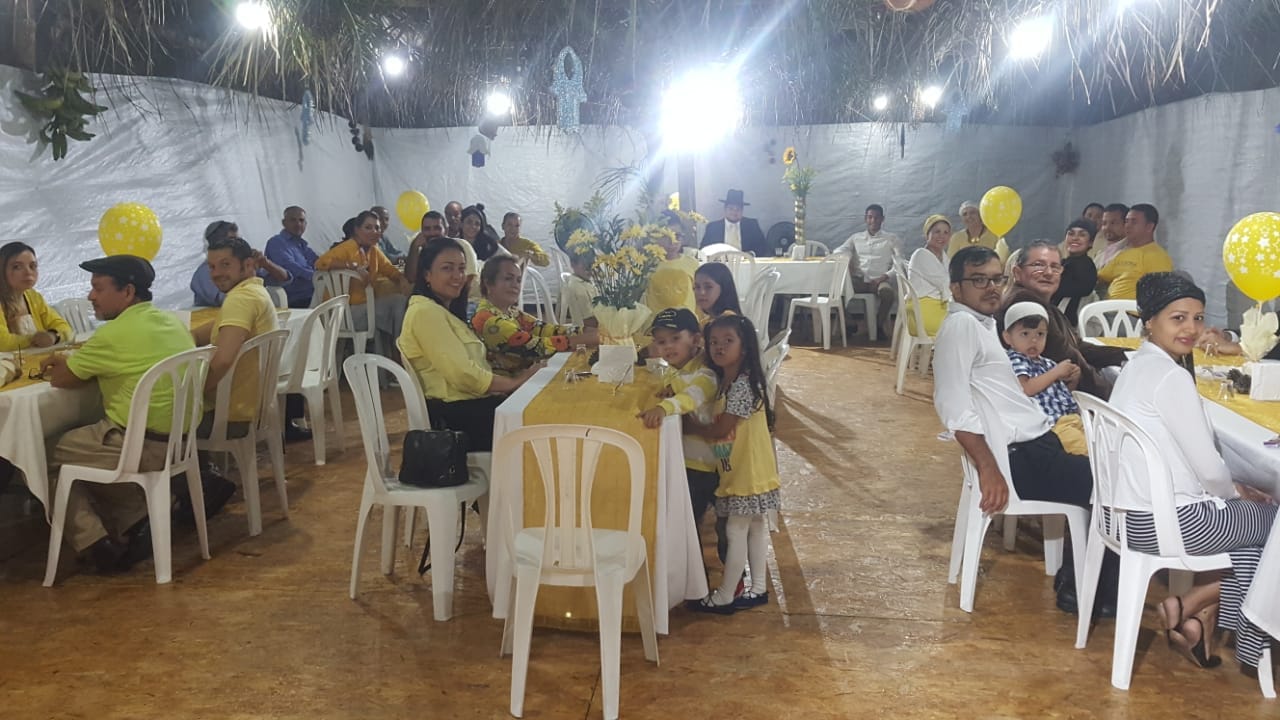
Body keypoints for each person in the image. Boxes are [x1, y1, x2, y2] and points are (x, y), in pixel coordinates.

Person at [1109, 272, 1277, 673]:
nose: (1190, 329)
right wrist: (1236, 490)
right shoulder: (1170, 376)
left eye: (1198, 318)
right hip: (1165, 523)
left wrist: (1233, 490)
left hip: (1123, 515)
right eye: (1178, 318)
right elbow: (1210, 472)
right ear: (1150, 320)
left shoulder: (1137, 364)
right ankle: (1222, 624)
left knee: (1248, 528)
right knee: (1272, 522)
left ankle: (1202, 621)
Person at [932, 246, 1093, 612]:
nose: (991, 288)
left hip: (1037, 446)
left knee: (1109, 470)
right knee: (1117, 485)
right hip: (1023, 459)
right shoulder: (960, 326)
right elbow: (953, 407)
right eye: (978, 280)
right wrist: (989, 470)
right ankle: (1080, 589)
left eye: (996, 279)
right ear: (955, 288)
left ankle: (1080, 578)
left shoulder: (984, 323)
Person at [38, 255, 196, 574]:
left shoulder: (113, 335)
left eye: (98, 288)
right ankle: (137, 518)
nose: (90, 296)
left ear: (127, 292)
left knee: (38, 455)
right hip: (181, 442)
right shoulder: (172, 322)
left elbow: (61, 379)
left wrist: (62, 362)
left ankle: (97, 544)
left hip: (140, 447)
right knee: (82, 448)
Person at [397, 238, 542, 451]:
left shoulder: (443, 311)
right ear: (427, 274)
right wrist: (516, 382)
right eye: (447, 268)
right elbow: (464, 375)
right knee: (541, 420)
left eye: (461, 268)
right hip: (454, 418)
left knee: (538, 406)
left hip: (468, 406)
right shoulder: (425, 312)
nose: (457, 276)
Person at [683, 314, 780, 613]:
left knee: (736, 532)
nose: (719, 347)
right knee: (755, 527)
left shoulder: (742, 386)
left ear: (745, 346)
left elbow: (721, 429)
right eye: (713, 342)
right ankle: (758, 588)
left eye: (728, 341)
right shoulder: (728, 382)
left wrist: (691, 425)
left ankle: (726, 594)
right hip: (747, 469)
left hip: (745, 472)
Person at [187, 235, 280, 521]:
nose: (216, 273)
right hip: (255, 407)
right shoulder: (255, 292)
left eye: (225, 265)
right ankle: (203, 482)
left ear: (248, 265)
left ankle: (193, 492)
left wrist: (195, 394)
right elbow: (216, 328)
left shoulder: (240, 299)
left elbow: (224, 359)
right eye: (212, 266)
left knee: (156, 422)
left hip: (231, 415)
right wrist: (181, 336)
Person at [636, 308, 722, 561]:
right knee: (686, 521)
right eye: (661, 342)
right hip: (691, 461)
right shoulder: (682, 368)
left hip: (703, 465)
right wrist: (668, 387)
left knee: (688, 525)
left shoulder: (705, 374)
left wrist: (664, 407)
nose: (668, 347)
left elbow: (691, 396)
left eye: (675, 339)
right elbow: (678, 380)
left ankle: (694, 573)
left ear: (695, 339)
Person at [1002, 240, 1126, 400]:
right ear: (1017, 272)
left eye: (1055, 267)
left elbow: (1078, 346)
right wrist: (1112, 396)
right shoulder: (1024, 303)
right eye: (1038, 265)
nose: (1048, 273)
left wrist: (1127, 355)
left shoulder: (1045, 304)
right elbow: (1067, 358)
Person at [470, 255, 596, 375]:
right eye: (508, 278)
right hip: (511, 386)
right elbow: (536, 348)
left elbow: (546, 329)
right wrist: (590, 338)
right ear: (488, 283)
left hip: (527, 377)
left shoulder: (511, 312)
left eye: (518, 280)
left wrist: (586, 331)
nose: (515, 285)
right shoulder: (489, 320)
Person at [999, 302, 1086, 456]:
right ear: (1008, 337)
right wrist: (1056, 372)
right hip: (1051, 426)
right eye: (1025, 334)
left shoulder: (1047, 363)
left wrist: (1073, 380)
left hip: (1071, 419)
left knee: (1101, 438)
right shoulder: (1015, 360)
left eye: (1040, 334)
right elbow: (1025, 389)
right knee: (1089, 452)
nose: (1033, 340)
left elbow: (1060, 396)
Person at [314, 210, 411, 346]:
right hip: (342, 313)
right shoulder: (347, 247)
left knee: (399, 302)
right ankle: (399, 348)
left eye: (377, 228)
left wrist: (401, 278)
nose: (374, 232)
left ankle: (393, 349)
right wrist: (351, 266)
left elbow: (389, 269)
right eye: (368, 227)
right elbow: (320, 263)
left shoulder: (373, 251)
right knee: (398, 303)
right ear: (357, 230)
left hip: (363, 309)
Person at [836, 204, 901, 340]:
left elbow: (900, 263)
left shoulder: (892, 239)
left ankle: (877, 325)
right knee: (837, 290)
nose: (873, 221)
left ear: (882, 219)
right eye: (870, 217)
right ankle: (850, 322)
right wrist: (848, 260)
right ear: (865, 219)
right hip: (860, 279)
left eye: (877, 217)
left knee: (888, 294)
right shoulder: (856, 238)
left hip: (880, 280)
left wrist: (883, 277)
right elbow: (839, 251)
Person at [191, 221, 291, 307]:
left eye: (239, 240)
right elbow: (231, 301)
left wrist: (266, 264)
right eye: (232, 241)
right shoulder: (205, 272)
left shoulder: (243, 264)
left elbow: (284, 279)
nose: (238, 244)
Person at [0, 241, 72, 351]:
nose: (28, 272)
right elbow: (3, 343)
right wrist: (35, 340)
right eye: (17, 267)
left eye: (32, 266)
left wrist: (53, 336)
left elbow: (64, 327)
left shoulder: (34, 297)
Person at [1097, 203, 1172, 300]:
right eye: (1126, 221)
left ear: (1149, 227)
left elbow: (1160, 292)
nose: (1127, 226)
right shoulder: (1125, 252)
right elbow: (1101, 276)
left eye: (1133, 222)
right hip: (1108, 306)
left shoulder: (1157, 256)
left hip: (1133, 308)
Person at [643, 211, 699, 315]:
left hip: (686, 322)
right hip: (655, 323)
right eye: (665, 236)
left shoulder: (692, 264)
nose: (672, 242)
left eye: (677, 236)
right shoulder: (646, 266)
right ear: (655, 237)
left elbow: (699, 299)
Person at [264, 206, 320, 308]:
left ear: (306, 224)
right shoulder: (276, 243)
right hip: (295, 299)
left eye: (301, 220)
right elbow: (291, 268)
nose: (298, 224)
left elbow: (319, 263)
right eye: (293, 220)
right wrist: (317, 277)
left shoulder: (302, 245)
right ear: (284, 223)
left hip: (313, 294)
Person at [906, 215, 952, 336]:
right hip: (922, 310)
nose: (941, 236)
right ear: (927, 235)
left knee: (968, 322)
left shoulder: (944, 257)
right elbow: (945, 283)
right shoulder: (921, 254)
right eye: (937, 232)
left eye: (946, 232)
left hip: (939, 306)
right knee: (963, 327)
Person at [1050, 220, 1099, 326]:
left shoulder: (1086, 266)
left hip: (1067, 322)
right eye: (1071, 234)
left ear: (1090, 242)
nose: (1075, 238)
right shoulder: (1063, 262)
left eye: (1082, 235)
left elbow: (1081, 289)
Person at [699, 190, 770, 257]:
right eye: (731, 209)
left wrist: (750, 254)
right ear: (725, 209)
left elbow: (763, 248)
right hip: (720, 264)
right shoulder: (713, 228)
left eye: (738, 209)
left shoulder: (752, 225)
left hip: (747, 263)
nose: (734, 212)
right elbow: (703, 250)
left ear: (742, 211)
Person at [693, 262, 743, 327]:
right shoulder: (705, 323)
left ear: (724, 288)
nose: (701, 292)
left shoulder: (729, 322)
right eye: (697, 287)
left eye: (708, 287)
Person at [562, 250, 598, 328]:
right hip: (587, 331)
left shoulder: (585, 281)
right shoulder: (578, 288)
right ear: (573, 264)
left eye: (592, 265)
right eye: (585, 265)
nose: (589, 269)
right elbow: (589, 322)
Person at [1089, 203, 1129, 270]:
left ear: (1126, 224)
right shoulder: (1100, 252)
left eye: (1113, 223)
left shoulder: (1131, 250)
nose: (1107, 228)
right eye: (1104, 223)